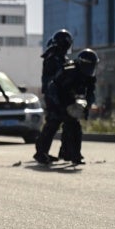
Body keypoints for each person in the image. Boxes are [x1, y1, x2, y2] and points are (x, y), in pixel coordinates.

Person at [34, 49, 97, 165]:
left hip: (71, 100)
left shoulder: (90, 76)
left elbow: (90, 94)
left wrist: (86, 107)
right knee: (53, 123)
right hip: (56, 97)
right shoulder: (69, 70)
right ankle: (41, 153)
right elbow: (53, 87)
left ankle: (70, 153)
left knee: (73, 126)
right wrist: (59, 105)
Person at [37, 29, 73, 163]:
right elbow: (51, 79)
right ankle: (41, 152)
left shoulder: (62, 58)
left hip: (62, 94)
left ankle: (65, 151)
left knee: (68, 121)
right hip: (53, 94)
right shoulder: (52, 58)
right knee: (53, 122)